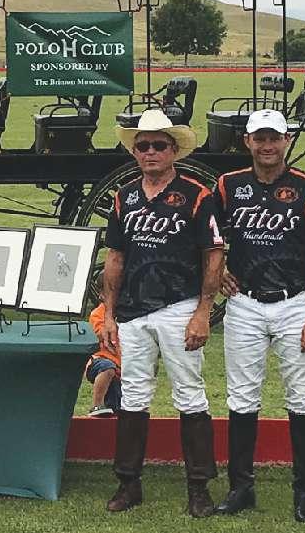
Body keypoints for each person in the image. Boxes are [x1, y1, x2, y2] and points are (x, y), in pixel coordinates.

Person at [101, 109, 224, 517]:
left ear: (174, 150)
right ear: (135, 152)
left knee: (189, 392)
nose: (150, 152)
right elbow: (115, 257)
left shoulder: (197, 196)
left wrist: (203, 311)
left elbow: (213, 255)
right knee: (134, 393)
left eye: (158, 145)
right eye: (143, 146)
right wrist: (109, 313)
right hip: (133, 311)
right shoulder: (125, 197)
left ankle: (199, 488)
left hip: (179, 306)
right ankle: (128, 483)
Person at [212, 109, 305, 523]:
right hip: (245, 303)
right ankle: (241, 488)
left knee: (302, 399)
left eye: (274, 138)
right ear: (246, 141)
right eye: (260, 138)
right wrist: (217, 270)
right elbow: (208, 238)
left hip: (296, 302)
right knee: (242, 398)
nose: (267, 146)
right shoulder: (228, 185)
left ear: (287, 140)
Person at [85, 303, 121, 417]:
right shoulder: (98, 313)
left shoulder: (130, 313)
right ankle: (97, 405)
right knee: (107, 367)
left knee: (116, 409)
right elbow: (98, 334)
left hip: (120, 369)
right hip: (99, 360)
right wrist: (113, 325)